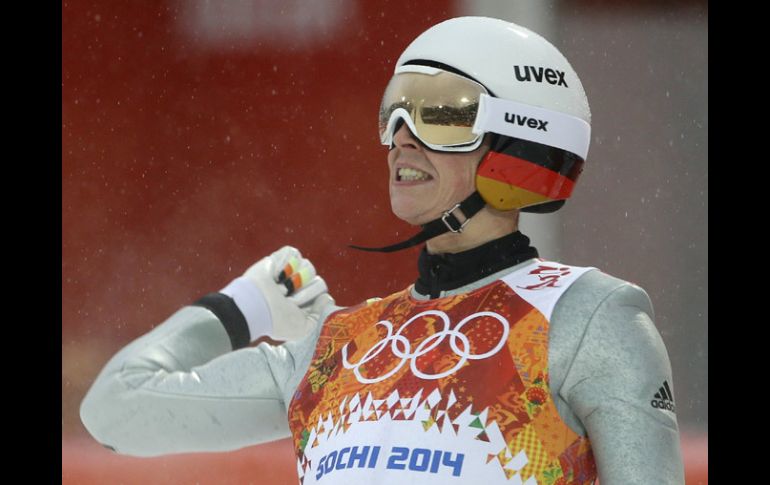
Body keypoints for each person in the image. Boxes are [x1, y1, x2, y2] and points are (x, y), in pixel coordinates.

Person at [80, 16, 685, 485]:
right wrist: (240, 309)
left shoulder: (588, 317)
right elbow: (115, 413)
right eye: (393, 111)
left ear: (522, 143)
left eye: (440, 114)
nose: (401, 138)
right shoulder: (334, 348)